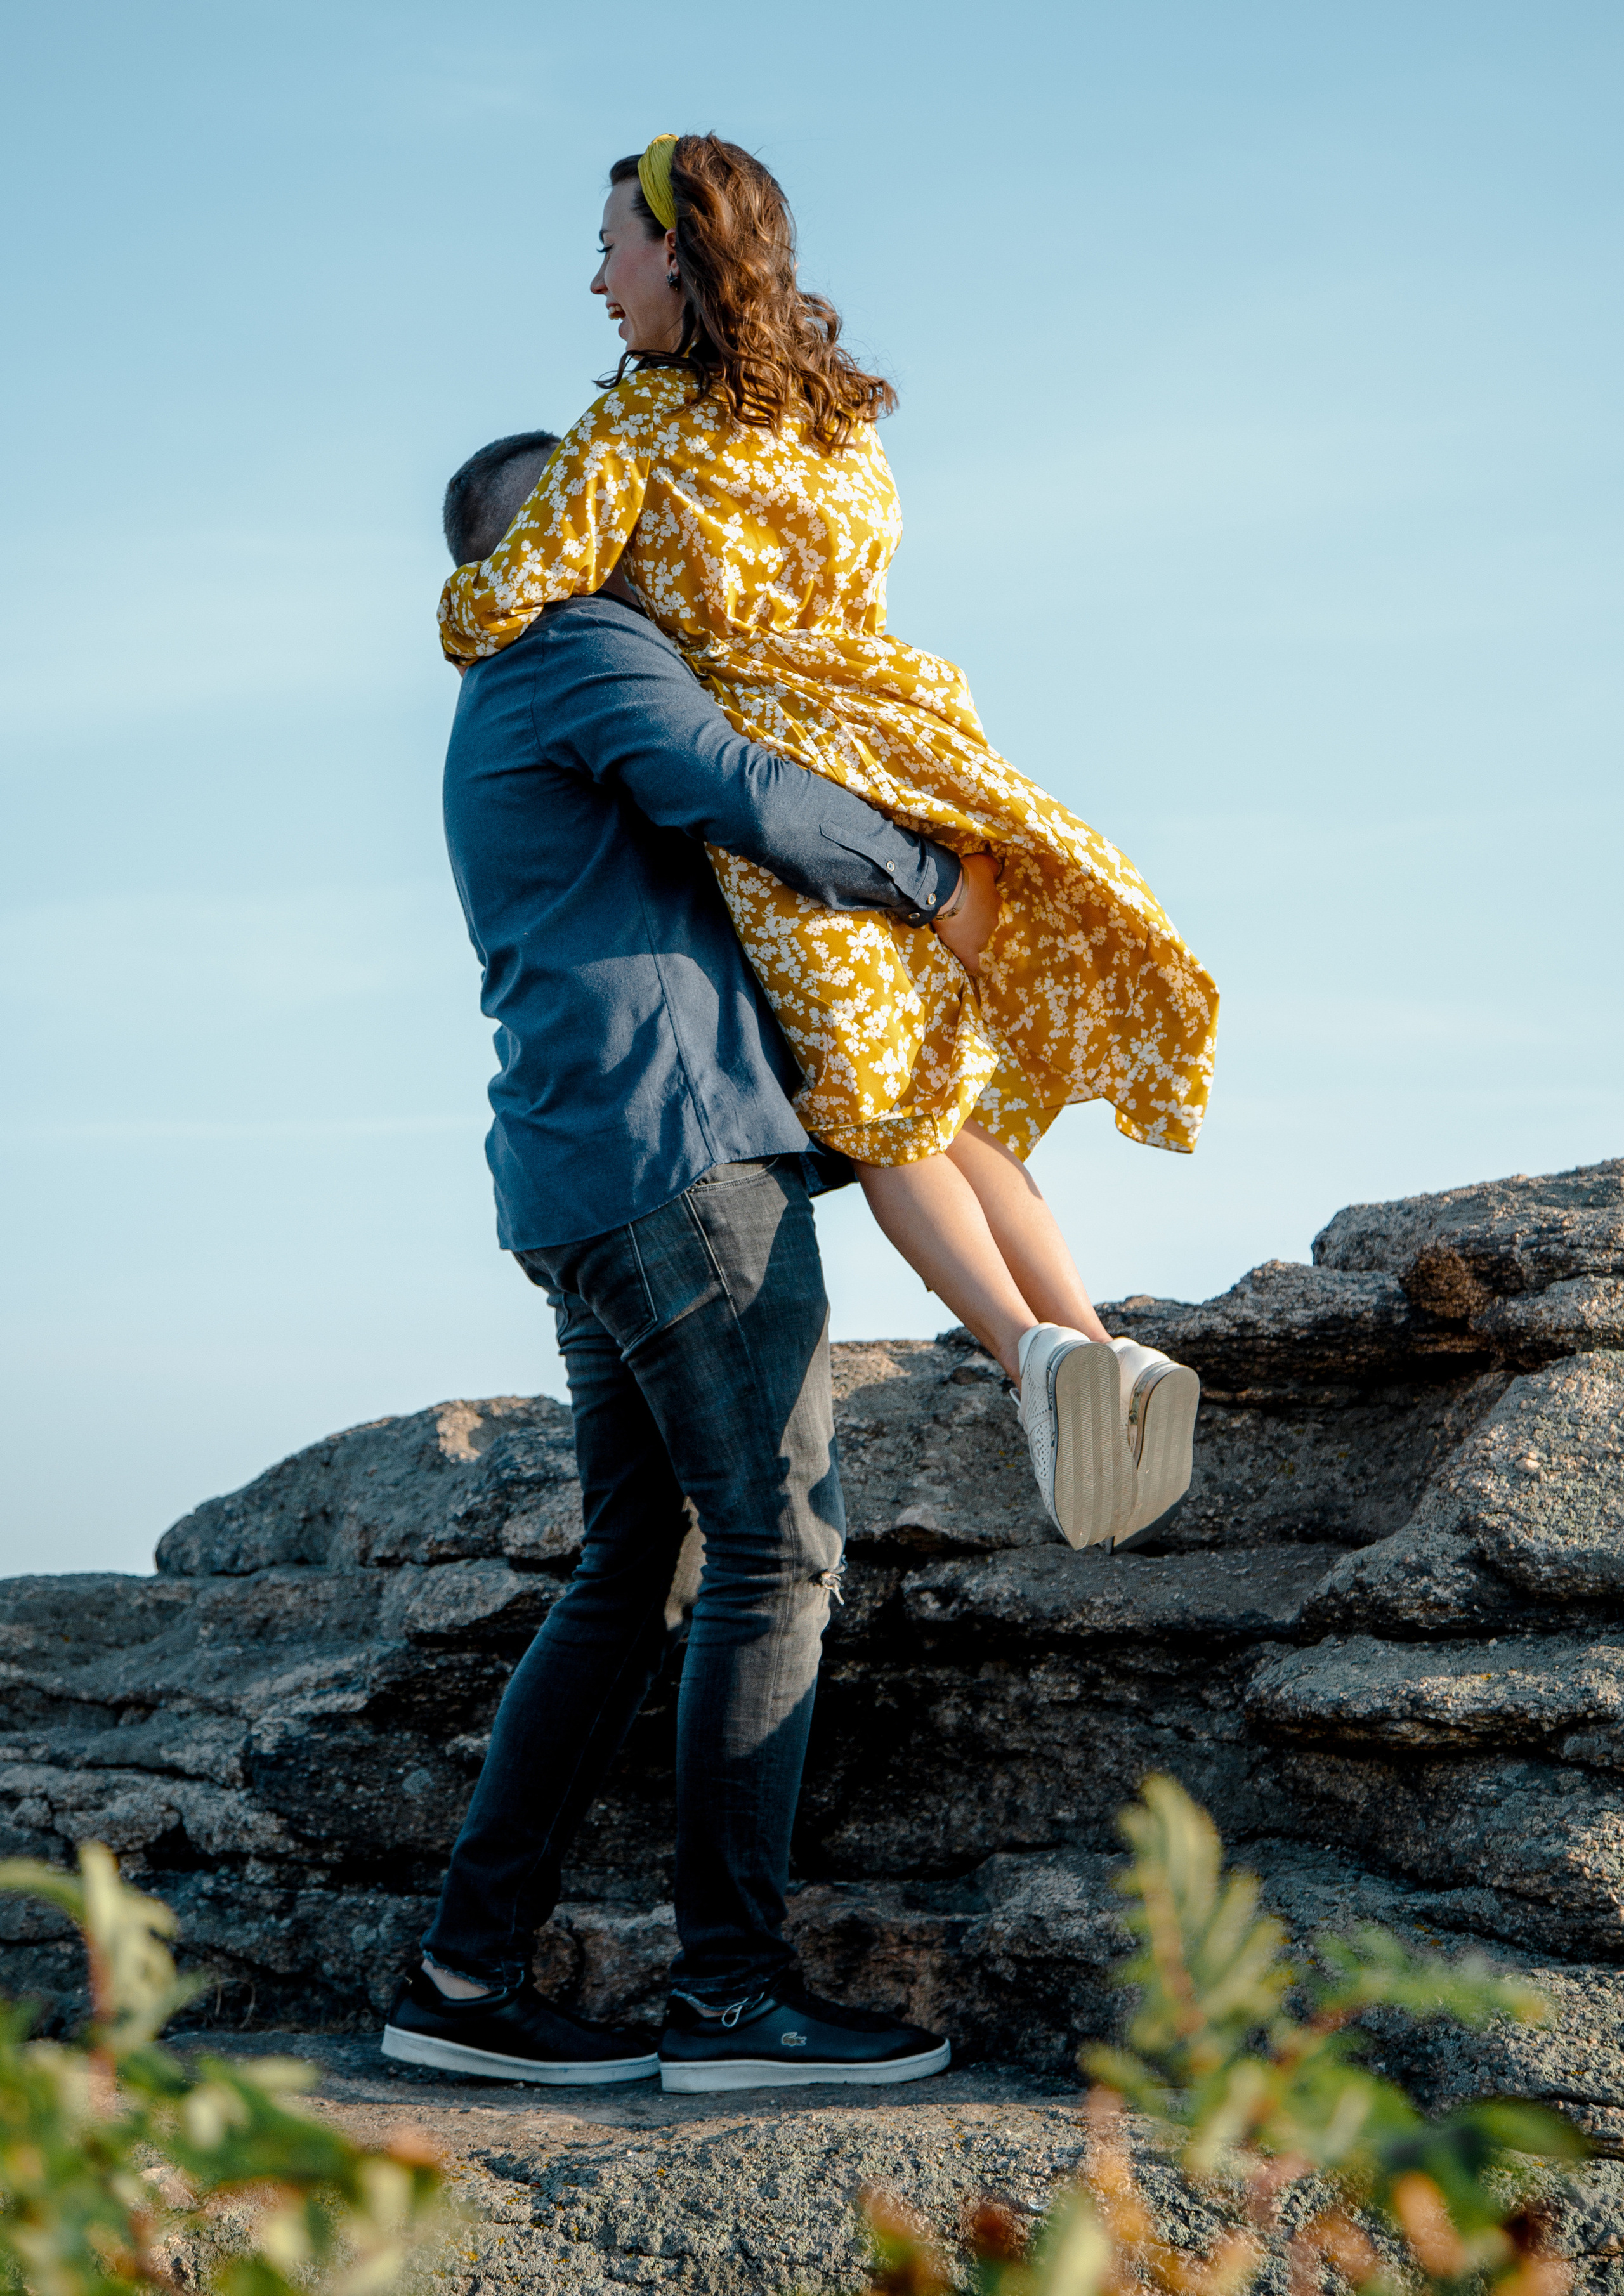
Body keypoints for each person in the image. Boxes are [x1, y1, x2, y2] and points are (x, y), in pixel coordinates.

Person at [435, 134, 1218, 1551]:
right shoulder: (838, 419)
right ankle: (1105, 1340)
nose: (597, 278)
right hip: (908, 730)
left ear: (674, 248)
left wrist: (467, 610)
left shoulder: (630, 435)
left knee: (871, 1100)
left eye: (612, 244)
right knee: (943, 1078)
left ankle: (1031, 1362)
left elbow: (510, 590)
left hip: (789, 774)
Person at [384, 431, 969, 2093]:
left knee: (636, 1563)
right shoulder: (571, 634)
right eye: (621, 501)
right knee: (777, 1549)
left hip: (580, 1172)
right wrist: (932, 880)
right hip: (670, 1164)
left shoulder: (499, 683)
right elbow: (730, 782)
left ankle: (463, 1972)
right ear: (558, 524)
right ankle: (730, 1996)